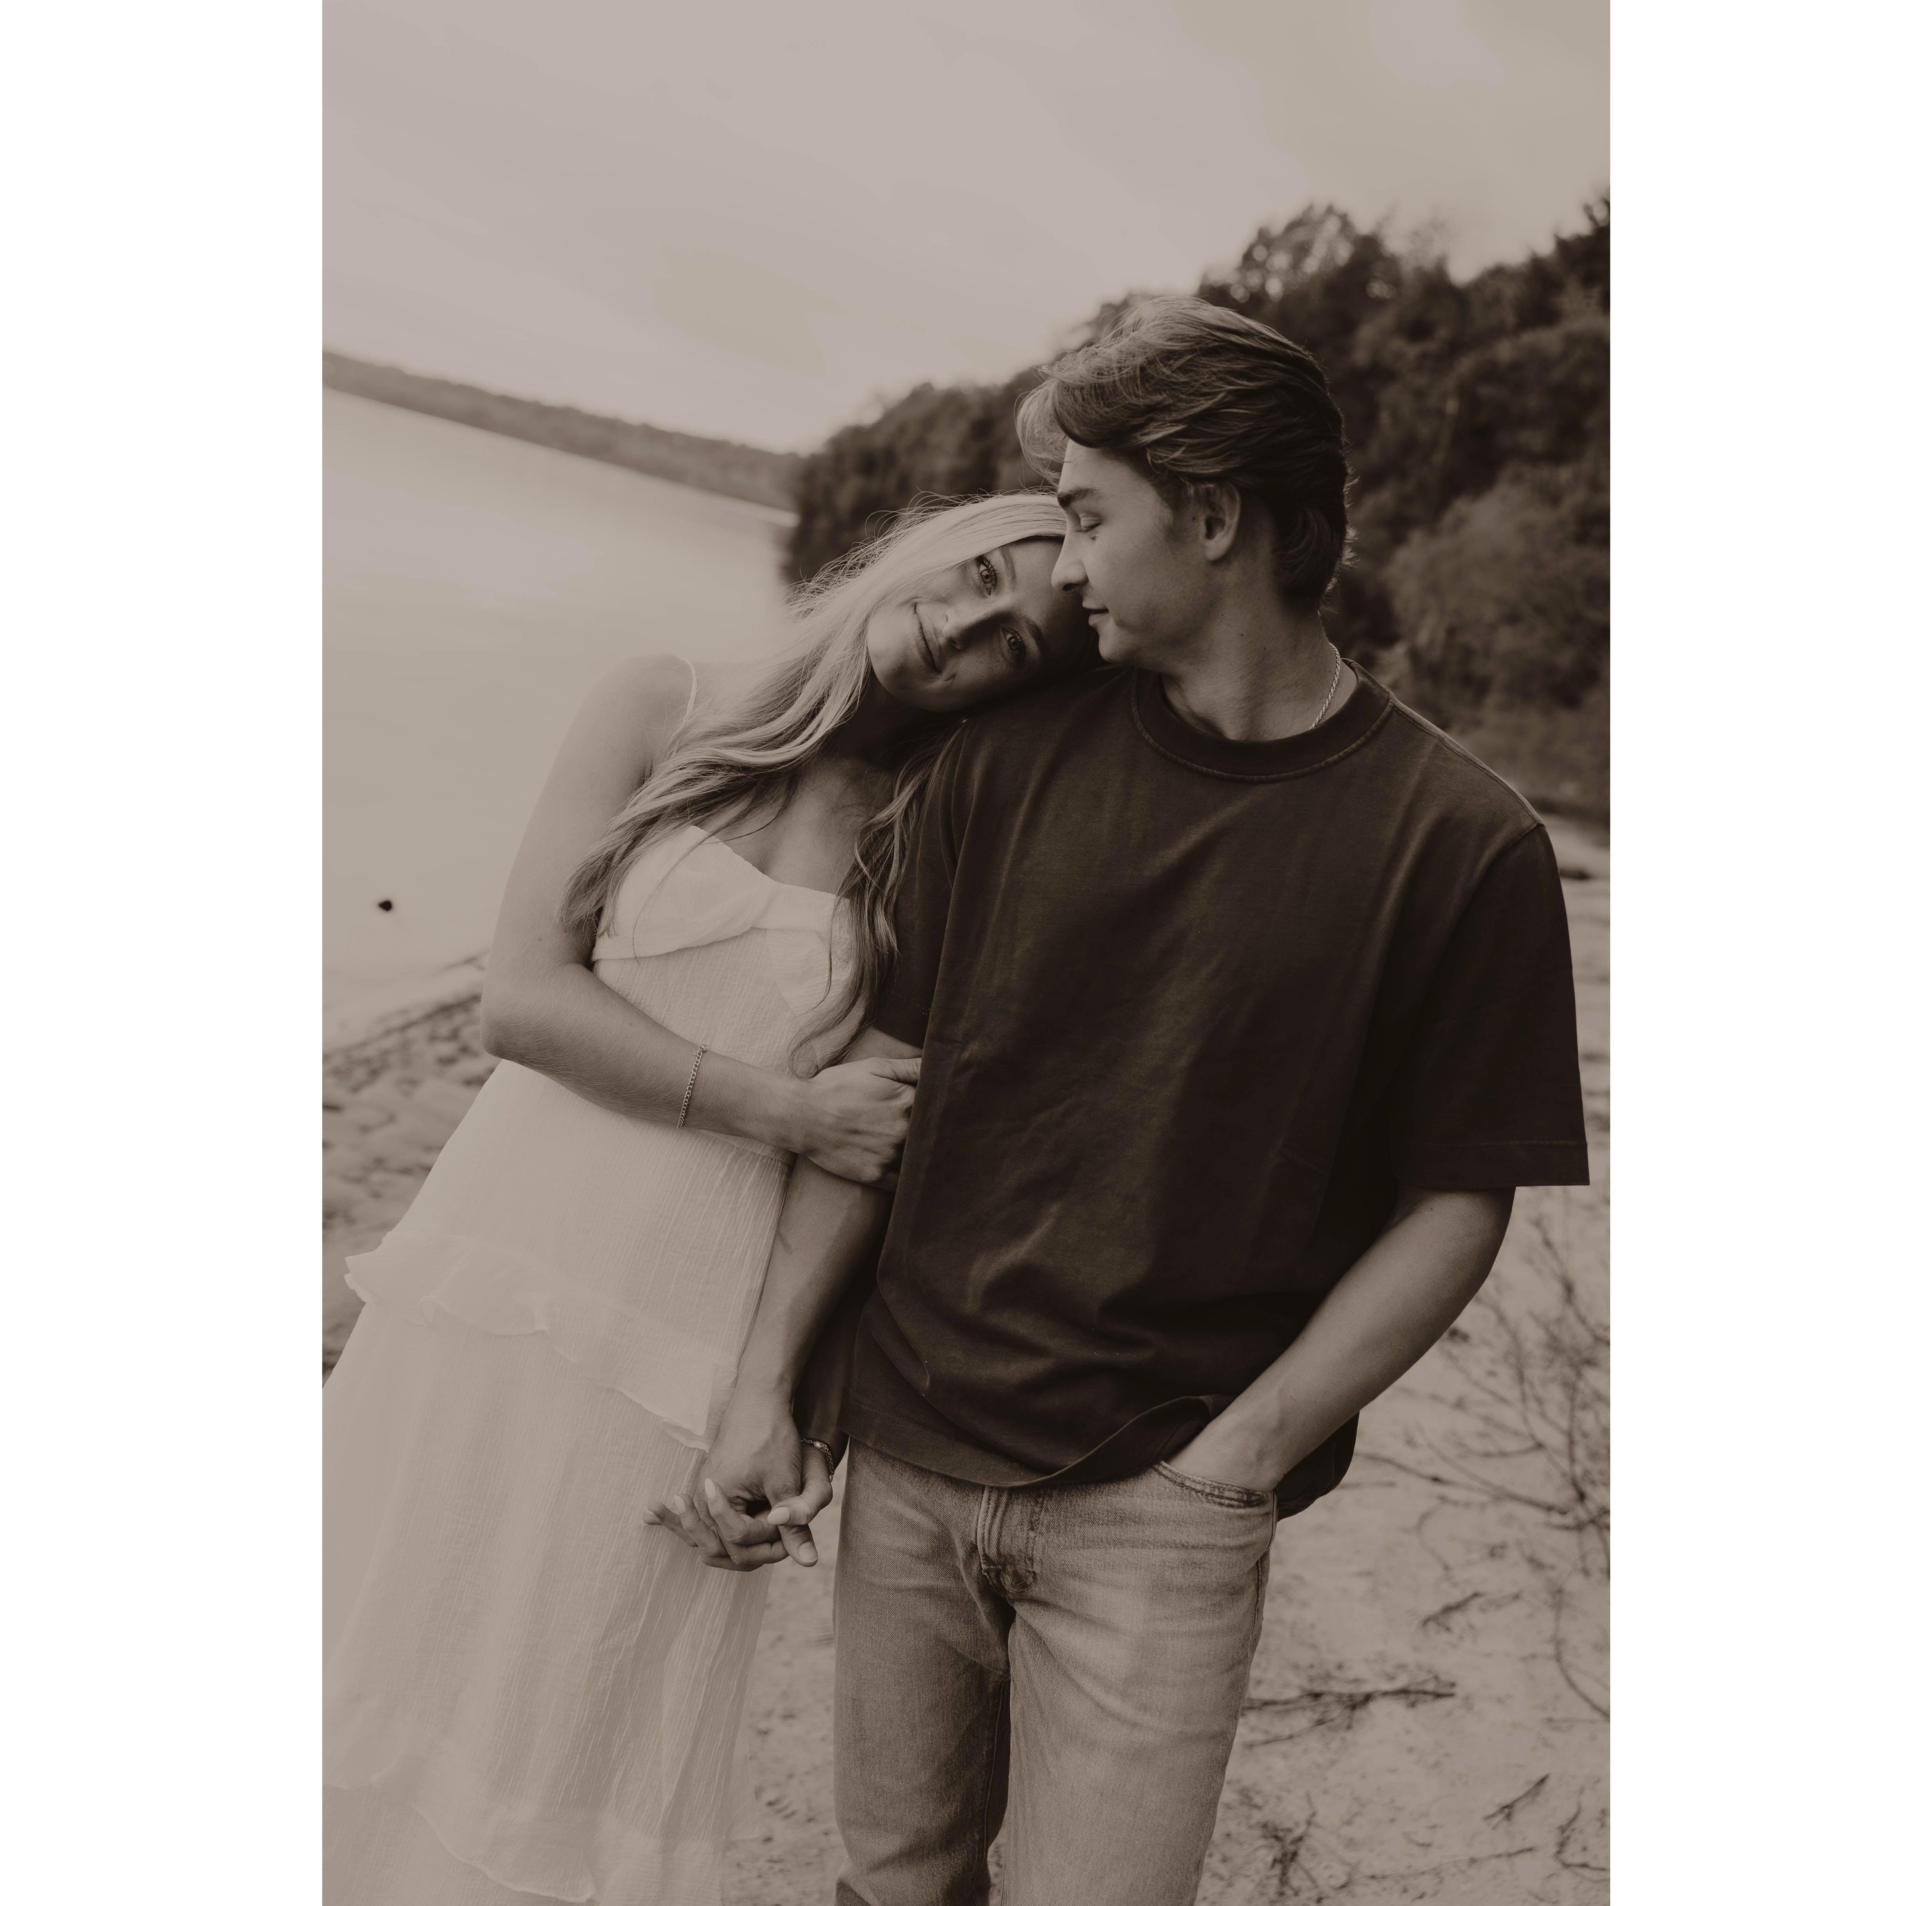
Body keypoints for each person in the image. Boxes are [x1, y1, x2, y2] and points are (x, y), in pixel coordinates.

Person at [659, 298, 1591, 1906]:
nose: (1067, 561)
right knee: (891, 1885)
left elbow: (1457, 1201)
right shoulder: (1006, 758)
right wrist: (770, 1382)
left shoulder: (1462, 843)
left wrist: (1237, 1463)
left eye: (1089, 517)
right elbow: (880, 1087)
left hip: (1164, 1511)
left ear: (1213, 516)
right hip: (913, 1453)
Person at [322, 491, 1100, 1906]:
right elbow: (521, 999)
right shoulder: (663, 703)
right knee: (368, 1635)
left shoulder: (935, 841)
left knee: (557, 1720)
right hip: (493, 1276)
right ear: (930, 547)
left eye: (1015, 642)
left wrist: (789, 1399)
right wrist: (780, 1106)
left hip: (683, 1342)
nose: (964, 626)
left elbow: (872, 1155)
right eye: (979, 574)